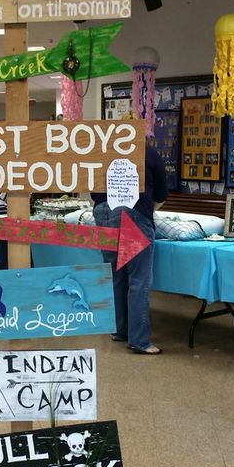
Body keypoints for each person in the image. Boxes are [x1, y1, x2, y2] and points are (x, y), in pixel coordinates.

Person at [92, 123, 168, 355]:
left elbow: (93, 191)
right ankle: (139, 340)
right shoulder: (148, 154)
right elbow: (162, 194)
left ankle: (120, 329)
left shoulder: (104, 153)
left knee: (116, 275)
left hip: (103, 213)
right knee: (138, 280)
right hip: (134, 217)